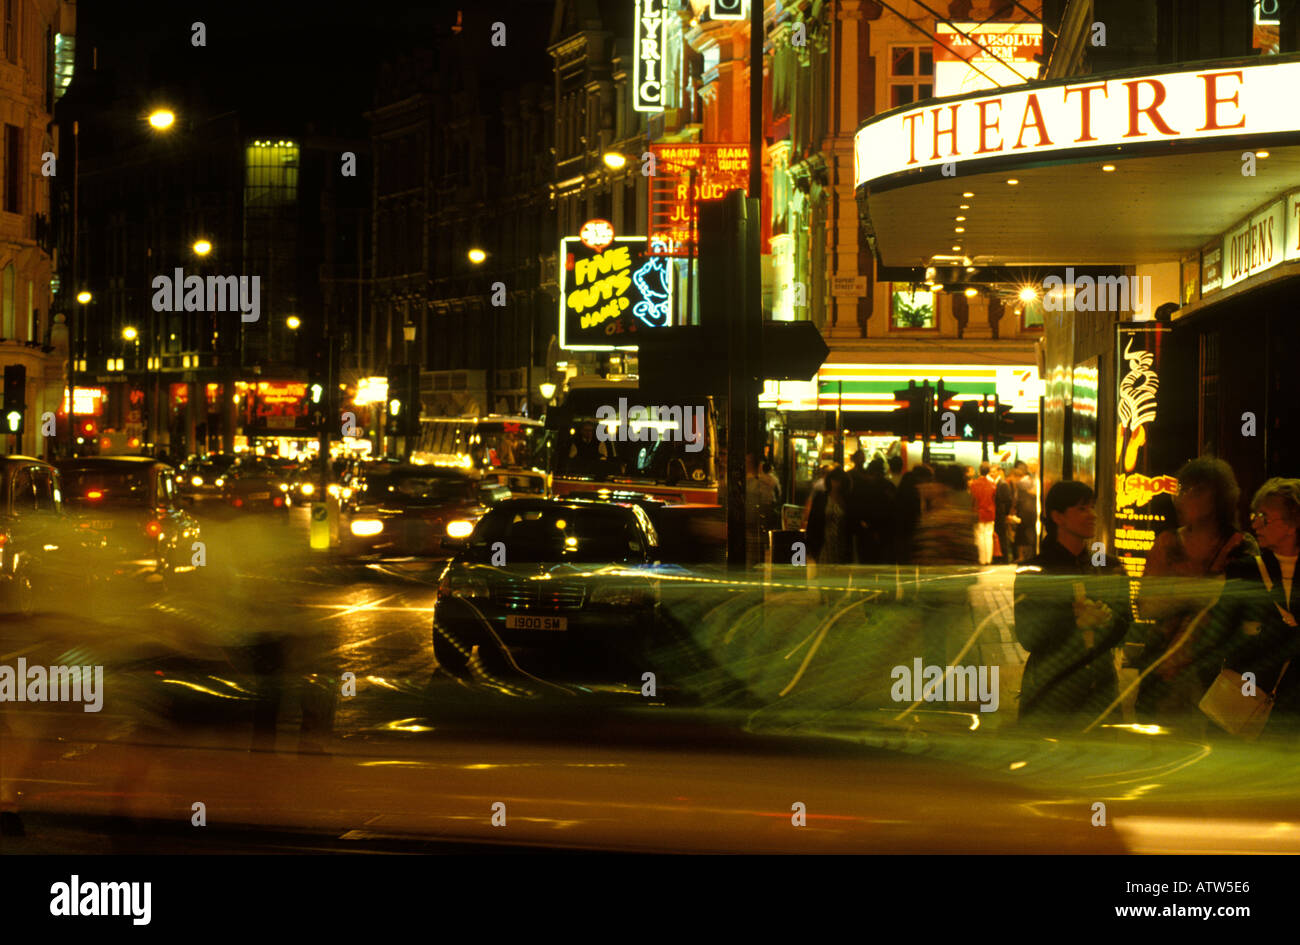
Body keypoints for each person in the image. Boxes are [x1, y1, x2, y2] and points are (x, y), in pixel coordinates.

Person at [1135, 457, 1258, 727]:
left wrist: (1176, 593)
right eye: (1183, 490)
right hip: (1166, 668)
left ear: (1219, 498)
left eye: (1196, 490)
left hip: (1218, 671)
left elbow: (1247, 608)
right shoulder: (1167, 543)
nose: (1184, 498)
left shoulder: (1240, 546)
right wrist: (1207, 591)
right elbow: (1146, 604)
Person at [1014, 481, 1130, 727]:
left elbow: (1125, 621)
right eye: (1082, 509)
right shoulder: (1035, 569)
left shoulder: (1107, 566)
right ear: (1058, 517)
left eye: (1093, 507)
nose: (1093, 515)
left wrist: (1107, 619)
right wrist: (1073, 620)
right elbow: (1028, 635)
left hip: (1100, 686)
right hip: (1051, 686)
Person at [1206, 478, 1300, 736]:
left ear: (1292, 524)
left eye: (1265, 517)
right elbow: (1220, 632)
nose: (1255, 524)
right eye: (1254, 515)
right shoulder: (1246, 570)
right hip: (1248, 697)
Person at [805, 469, 852, 566]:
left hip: (842, 544)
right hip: (824, 542)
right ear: (829, 481)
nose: (837, 484)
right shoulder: (821, 498)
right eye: (834, 480)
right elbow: (813, 521)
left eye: (840, 481)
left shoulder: (847, 499)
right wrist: (810, 543)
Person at [969, 461, 998, 565]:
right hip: (990, 513)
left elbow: (972, 500)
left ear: (979, 471)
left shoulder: (974, 484)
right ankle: (988, 559)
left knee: (980, 536)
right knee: (988, 536)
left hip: (978, 513)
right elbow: (995, 499)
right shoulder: (993, 485)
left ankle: (981, 559)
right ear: (989, 471)